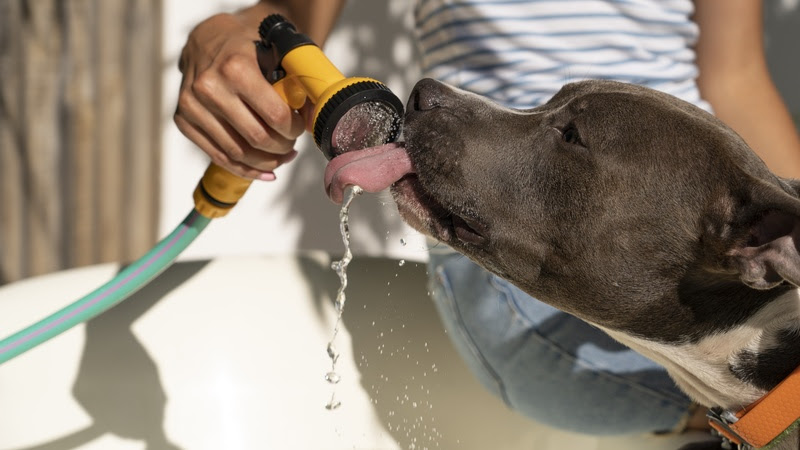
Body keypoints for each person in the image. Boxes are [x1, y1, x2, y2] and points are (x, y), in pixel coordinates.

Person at [174, 0, 800, 435]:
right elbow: (280, 21)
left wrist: (785, 236)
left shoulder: (749, 232)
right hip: (532, 263)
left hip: (690, 234)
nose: (429, 94)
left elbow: (737, 77)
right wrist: (222, 35)